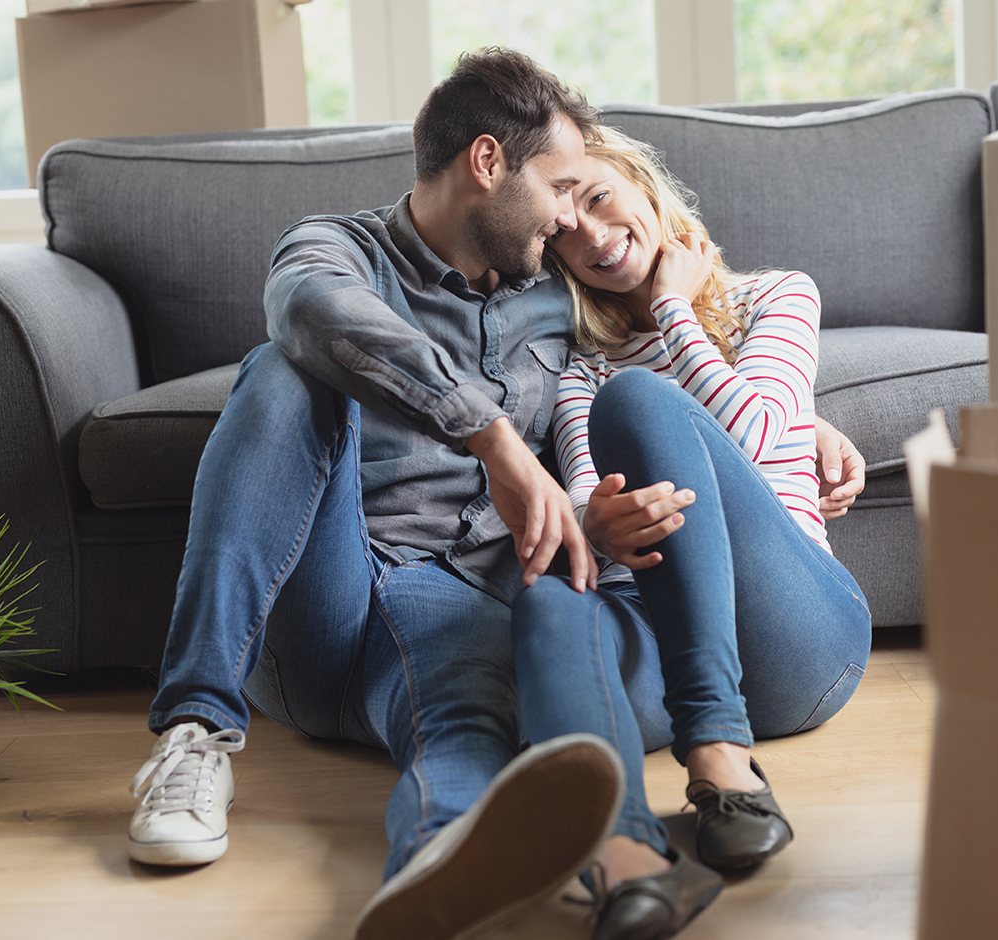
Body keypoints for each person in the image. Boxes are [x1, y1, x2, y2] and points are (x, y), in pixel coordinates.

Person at [123, 50, 867, 940]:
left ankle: (437, 870)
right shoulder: (337, 251)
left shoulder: (555, 292)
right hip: (340, 595)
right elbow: (312, 308)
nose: (567, 221)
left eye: (580, 198)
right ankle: (196, 732)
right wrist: (492, 436)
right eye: (558, 188)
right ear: (487, 164)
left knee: (469, 720)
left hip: (472, 603)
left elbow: (657, 365)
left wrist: (803, 425)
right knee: (284, 372)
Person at [508, 124, 875, 930]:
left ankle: (717, 753)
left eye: (601, 199)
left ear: (645, 187)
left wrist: (674, 307)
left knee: (639, 401)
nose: (596, 238)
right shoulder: (583, 370)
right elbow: (578, 514)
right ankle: (620, 852)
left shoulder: (776, 295)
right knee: (545, 600)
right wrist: (590, 522)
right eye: (566, 234)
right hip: (665, 652)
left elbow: (751, 428)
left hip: (798, 643)